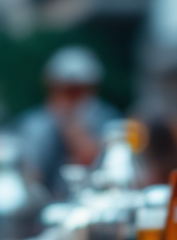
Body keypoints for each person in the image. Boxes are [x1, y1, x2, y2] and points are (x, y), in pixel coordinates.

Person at [18, 46, 120, 198]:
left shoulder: (106, 119)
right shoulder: (36, 124)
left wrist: (73, 127)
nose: (70, 98)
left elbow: (103, 168)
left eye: (77, 90)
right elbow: (30, 175)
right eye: (64, 89)